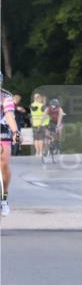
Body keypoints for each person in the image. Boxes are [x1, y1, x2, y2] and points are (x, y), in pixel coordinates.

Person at [1, 72, 20, 216]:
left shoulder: (6, 96)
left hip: (2, 130)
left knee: (4, 162)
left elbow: (9, 115)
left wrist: (15, 132)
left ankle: (4, 197)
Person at [30, 93, 49, 157]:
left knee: (36, 139)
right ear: (38, 98)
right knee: (40, 139)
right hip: (41, 124)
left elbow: (32, 116)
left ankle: (37, 152)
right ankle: (40, 152)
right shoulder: (42, 106)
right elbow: (45, 115)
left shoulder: (31, 105)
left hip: (34, 123)